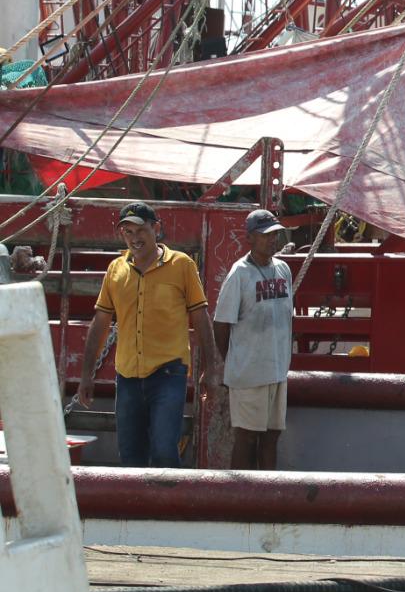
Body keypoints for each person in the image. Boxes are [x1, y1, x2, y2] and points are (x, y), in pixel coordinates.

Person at [76, 201, 219, 468]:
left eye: (140, 231)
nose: (134, 238)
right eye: (127, 232)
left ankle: (168, 508)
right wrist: (86, 374)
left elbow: (200, 316)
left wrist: (211, 369)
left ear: (156, 229)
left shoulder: (182, 265)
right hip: (128, 375)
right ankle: (138, 510)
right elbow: (101, 322)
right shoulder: (115, 270)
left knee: (164, 450)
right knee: (130, 455)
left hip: (168, 372)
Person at [214, 208, 295, 470]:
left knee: (272, 437)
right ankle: (239, 500)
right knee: (247, 438)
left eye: (276, 234)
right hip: (248, 373)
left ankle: (267, 500)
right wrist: (233, 364)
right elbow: (221, 324)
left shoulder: (283, 269)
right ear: (251, 238)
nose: (273, 240)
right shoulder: (239, 274)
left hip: (277, 370)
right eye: (266, 235)